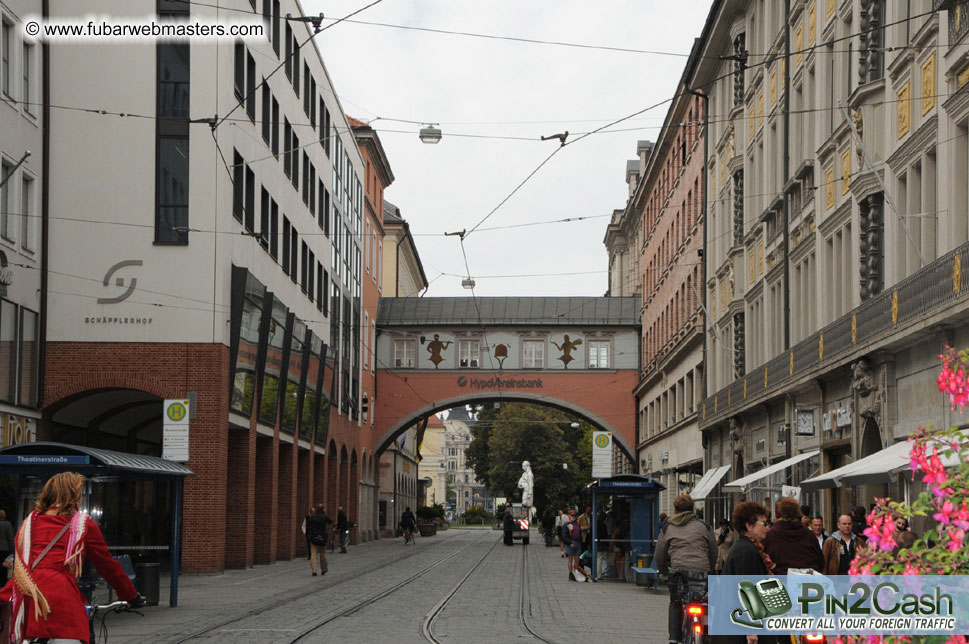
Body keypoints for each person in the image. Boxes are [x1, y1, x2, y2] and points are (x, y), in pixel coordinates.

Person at [0, 472, 146, 644]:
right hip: (62, 601)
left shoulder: (28, 524)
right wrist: (130, 595)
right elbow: (107, 566)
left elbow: (22, 563)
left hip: (25, 602)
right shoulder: (83, 525)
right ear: (75, 495)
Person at [655, 495, 717, 644]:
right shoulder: (705, 526)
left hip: (679, 574)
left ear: (675, 510)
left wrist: (664, 571)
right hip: (703, 573)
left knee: (676, 603)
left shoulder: (667, 527)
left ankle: (674, 639)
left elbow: (660, 554)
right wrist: (711, 569)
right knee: (706, 603)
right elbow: (713, 551)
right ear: (693, 509)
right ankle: (709, 634)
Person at [718, 501, 776, 644]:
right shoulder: (747, 551)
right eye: (763, 523)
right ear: (749, 526)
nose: (767, 528)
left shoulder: (745, 547)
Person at [763, 497, 823, 574]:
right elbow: (820, 561)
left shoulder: (770, 535)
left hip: (781, 580)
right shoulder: (809, 535)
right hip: (806, 581)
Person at [305, 504, 332, 576]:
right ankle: (324, 569)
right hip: (322, 537)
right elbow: (330, 522)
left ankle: (314, 570)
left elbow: (308, 526)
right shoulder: (325, 516)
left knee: (313, 554)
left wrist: (308, 535)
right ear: (323, 509)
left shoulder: (312, 517)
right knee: (322, 554)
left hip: (313, 537)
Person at [561, 509, 583, 581]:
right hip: (570, 543)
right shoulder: (566, 524)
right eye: (572, 515)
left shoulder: (577, 523)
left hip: (577, 543)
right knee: (570, 559)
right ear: (569, 516)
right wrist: (569, 543)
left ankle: (576, 573)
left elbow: (579, 533)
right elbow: (564, 536)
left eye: (575, 515)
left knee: (577, 560)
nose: (574, 516)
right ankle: (570, 574)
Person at [0, 509, 13, 586]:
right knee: (4, 566)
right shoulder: (7, 524)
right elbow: (10, 537)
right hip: (4, 549)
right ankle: (2, 583)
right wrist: (12, 549)